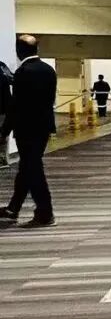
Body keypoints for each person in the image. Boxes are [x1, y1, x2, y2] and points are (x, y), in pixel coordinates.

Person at [0, 34, 57, 227]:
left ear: (19, 51)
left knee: (33, 170)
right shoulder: (48, 70)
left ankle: (45, 212)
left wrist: (4, 131)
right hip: (43, 127)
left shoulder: (23, 72)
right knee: (27, 168)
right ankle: (13, 208)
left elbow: (16, 106)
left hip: (26, 129)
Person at [0, 57, 13, 167]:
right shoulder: (1, 66)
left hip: (3, 109)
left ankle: (2, 158)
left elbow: (12, 79)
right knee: (2, 134)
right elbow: (12, 79)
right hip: (3, 108)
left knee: (3, 134)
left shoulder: (1, 66)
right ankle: (2, 158)